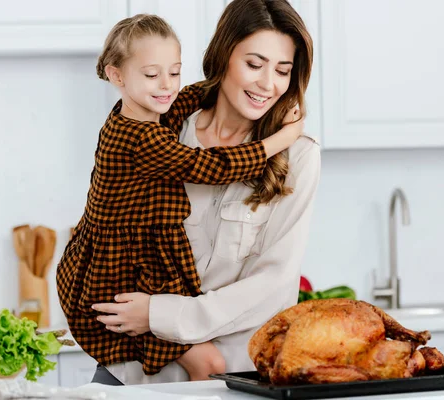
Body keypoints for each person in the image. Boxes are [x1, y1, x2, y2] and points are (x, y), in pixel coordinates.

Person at [56, 13, 304, 382]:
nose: (168, 85)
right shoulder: (145, 137)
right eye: (152, 75)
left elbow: (187, 96)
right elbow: (213, 168)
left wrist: (218, 86)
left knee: (207, 365)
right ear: (117, 76)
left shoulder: (154, 114)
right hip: (123, 272)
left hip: (136, 271)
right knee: (207, 365)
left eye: (174, 72)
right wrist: (279, 140)